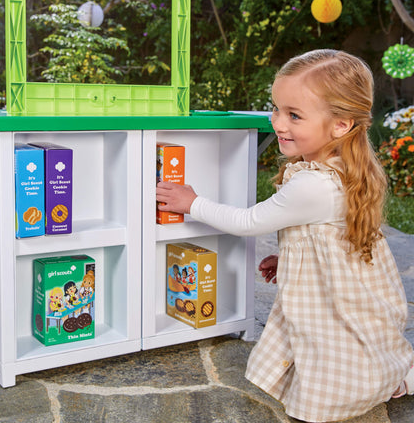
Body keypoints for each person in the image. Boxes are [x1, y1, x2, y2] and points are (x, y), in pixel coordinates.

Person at [156, 49, 414, 422]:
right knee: (352, 342)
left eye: (294, 115)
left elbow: (249, 221)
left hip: (335, 297)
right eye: (276, 108)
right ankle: (388, 376)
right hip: (344, 285)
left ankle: (347, 396)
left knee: (331, 345)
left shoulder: (313, 185)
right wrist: (291, 258)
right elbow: (327, 237)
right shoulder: (340, 166)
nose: (278, 122)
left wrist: (192, 202)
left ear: (340, 124)